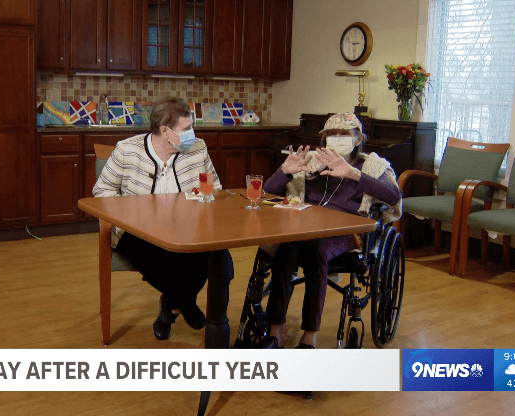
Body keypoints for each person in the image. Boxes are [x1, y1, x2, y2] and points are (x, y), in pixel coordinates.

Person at [93, 97, 233, 341]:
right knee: (161, 259)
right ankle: (185, 306)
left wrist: (201, 197)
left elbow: (214, 187)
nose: (193, 134)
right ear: (166, 131)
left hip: (187, 229)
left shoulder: (197, 148)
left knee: (216, 253)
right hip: (136, 232)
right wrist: (134, 214)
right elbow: (102, 192)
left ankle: (170, 310)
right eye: (187, 129)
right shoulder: (128, 150)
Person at [259, 112, 402, 349]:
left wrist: (352, 173)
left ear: (358, 139)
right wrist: (284, 171)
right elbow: (269, 190)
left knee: (317, 251)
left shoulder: (371, 165)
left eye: (344, 134)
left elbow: (393, 196)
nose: (336, 138)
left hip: (345, 233)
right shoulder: (312, 162)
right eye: (331, 134)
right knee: (285, 250)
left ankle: (309, 337)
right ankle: (275, 333)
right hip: (304, 228)